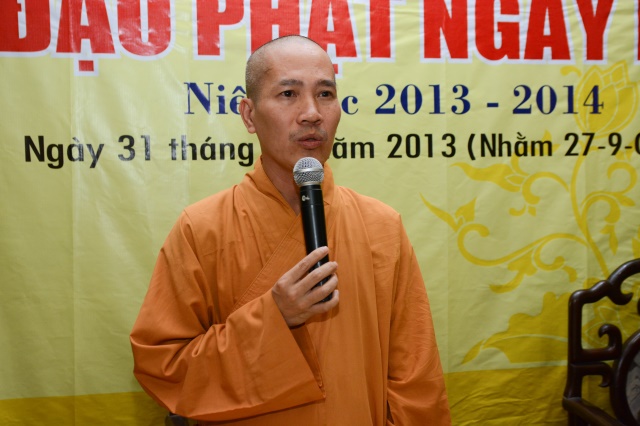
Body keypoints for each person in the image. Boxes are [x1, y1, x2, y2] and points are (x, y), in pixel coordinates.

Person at [130, 35, 451, 425]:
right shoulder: (201, 229)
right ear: (249, 115)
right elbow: (164, 368)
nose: (312, 113)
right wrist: (273, 319)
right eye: (288, 94)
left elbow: (415, 380)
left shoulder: (382, 226)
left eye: (325, 94)